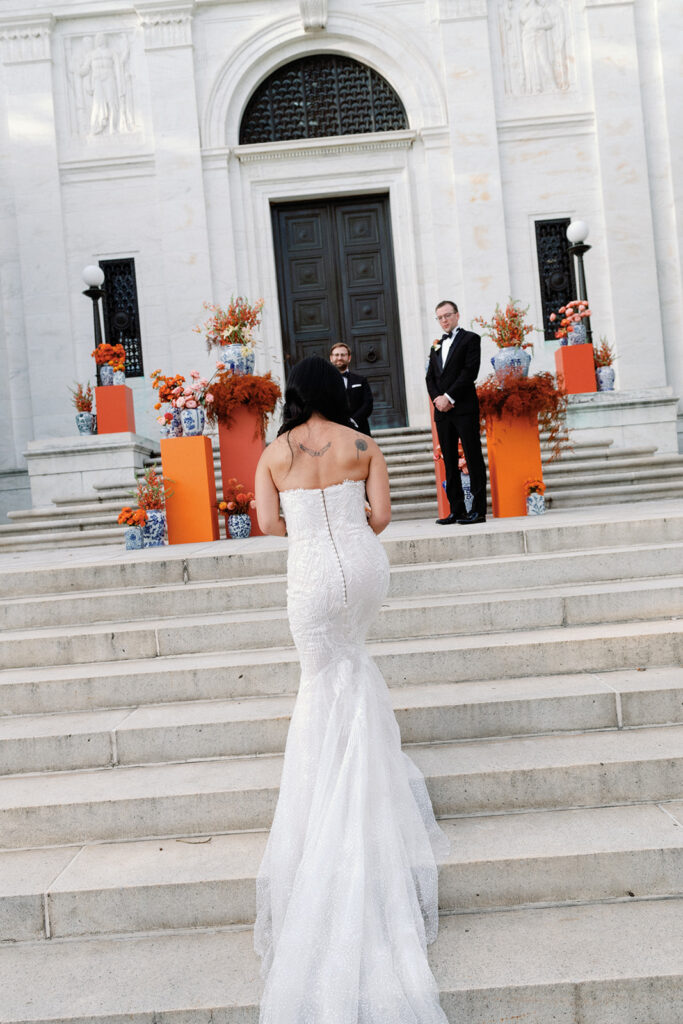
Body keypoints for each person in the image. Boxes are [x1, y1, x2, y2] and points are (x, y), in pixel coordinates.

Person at [254, 356, 448, 1024]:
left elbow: (265, 523)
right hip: (364, 570)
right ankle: (363, 768)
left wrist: (308, 532)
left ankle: (328, 780)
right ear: (336, 392)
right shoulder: (364, 444)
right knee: (355, 664)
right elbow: (383, 516)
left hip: (309, 575)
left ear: (292, 394)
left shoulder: (275, 451)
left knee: (320, 679)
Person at [426, 299, 487, 524]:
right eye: (440, 317)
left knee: (472, 457)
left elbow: (469, 372)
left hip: (463, 408)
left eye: (447, 315)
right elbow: (429, 377)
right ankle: (456, 510)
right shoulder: (436, 345)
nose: (444, 320)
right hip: (442, 412)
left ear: (457, 315)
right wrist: (437, 400)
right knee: (449, 460)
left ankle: (478, 511)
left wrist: (449, 397)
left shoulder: (471, 339)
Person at [329, 341, 374, 435]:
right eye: (336, 355)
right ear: (331, 358)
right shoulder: (323, 382)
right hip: (334, 432)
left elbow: (368, 404)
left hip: (360, 429)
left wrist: (353, 421)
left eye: (343, 355)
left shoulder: (361, 380)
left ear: (349, 358)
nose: (339, 358)